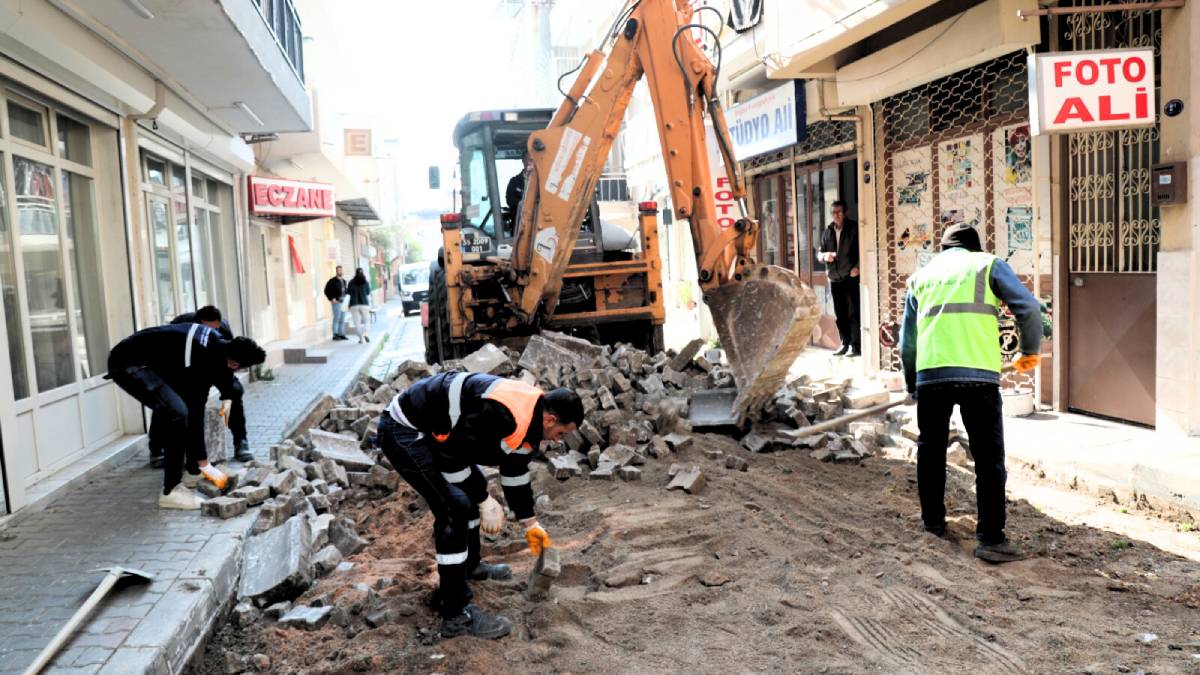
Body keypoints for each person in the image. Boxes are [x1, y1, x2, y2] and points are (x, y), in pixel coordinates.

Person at [377, 372, 583, 639]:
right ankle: (455, 615)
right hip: (404, 429)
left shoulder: (531, 422)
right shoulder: (503, 414)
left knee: (469, 492)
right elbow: (451, 459)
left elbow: (515, 472)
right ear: (550, 419)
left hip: (440, 435)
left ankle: (470, 566)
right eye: (561, 433)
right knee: (455, 508)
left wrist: (530, 523)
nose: (558, 439)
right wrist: (484, 500)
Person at [899, 223, 1041, 563]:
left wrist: (911, 384)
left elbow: (908, 343)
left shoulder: (921, 277)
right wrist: (1029, 351)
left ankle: (933, 523)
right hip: (979, 378)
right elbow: (1030, 309)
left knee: (930, 451)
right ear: (974, 248)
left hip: (932, 375)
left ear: (943, 249)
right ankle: (991, 538)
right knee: (988, 460)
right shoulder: (987, 264)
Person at [108, 324, 266, 509]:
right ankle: (171, 491)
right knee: (176, 414)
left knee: (185, 413)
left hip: (153, 364)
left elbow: (197, 412)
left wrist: (202, 466)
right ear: (234, 364)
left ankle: (193, 471)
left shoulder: (217, 350)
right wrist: (206, 466)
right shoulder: (200, 357)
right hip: (127, 363)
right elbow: (191, 414)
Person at [147, 306, 254, 465]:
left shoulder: (223, 328)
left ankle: (241, 442)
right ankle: (157, 449)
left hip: (216, 366)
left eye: (213, 329)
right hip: (181, 368)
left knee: (233, 393)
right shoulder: (178, 327)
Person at [819, 200, 861, 357]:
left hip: (850, 277)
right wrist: (825, 256)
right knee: (840, 315)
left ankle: (856, 347)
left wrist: (858, 266)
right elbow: (819, 253)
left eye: (839, 212)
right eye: (833, 212)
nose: (836, 215)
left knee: (853, 313)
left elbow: (862, 249)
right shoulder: (828, 231)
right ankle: (845, 343)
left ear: (845, 213)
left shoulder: (853, 228)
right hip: (835, 279)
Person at [347, 267, 372, 343]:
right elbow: (368, 292)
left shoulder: (351, 282)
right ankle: (366, 333)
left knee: (357, 323)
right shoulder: (365, 282)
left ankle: (361, 339)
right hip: (364, 304)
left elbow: (348, 292)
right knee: (367, 321)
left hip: (353, 305)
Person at [324, 265, 348, 341]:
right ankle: (335, 334)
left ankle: (341, 334)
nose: (340, 271)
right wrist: (331, 298)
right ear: (336, 271)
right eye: (338, 270)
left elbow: (345, 291)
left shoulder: (344, 281)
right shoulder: (332, 281)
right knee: (337, 318)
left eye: (341, 270)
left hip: (344, 302)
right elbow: (326, 290)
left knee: (342, 319)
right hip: (337, 302)